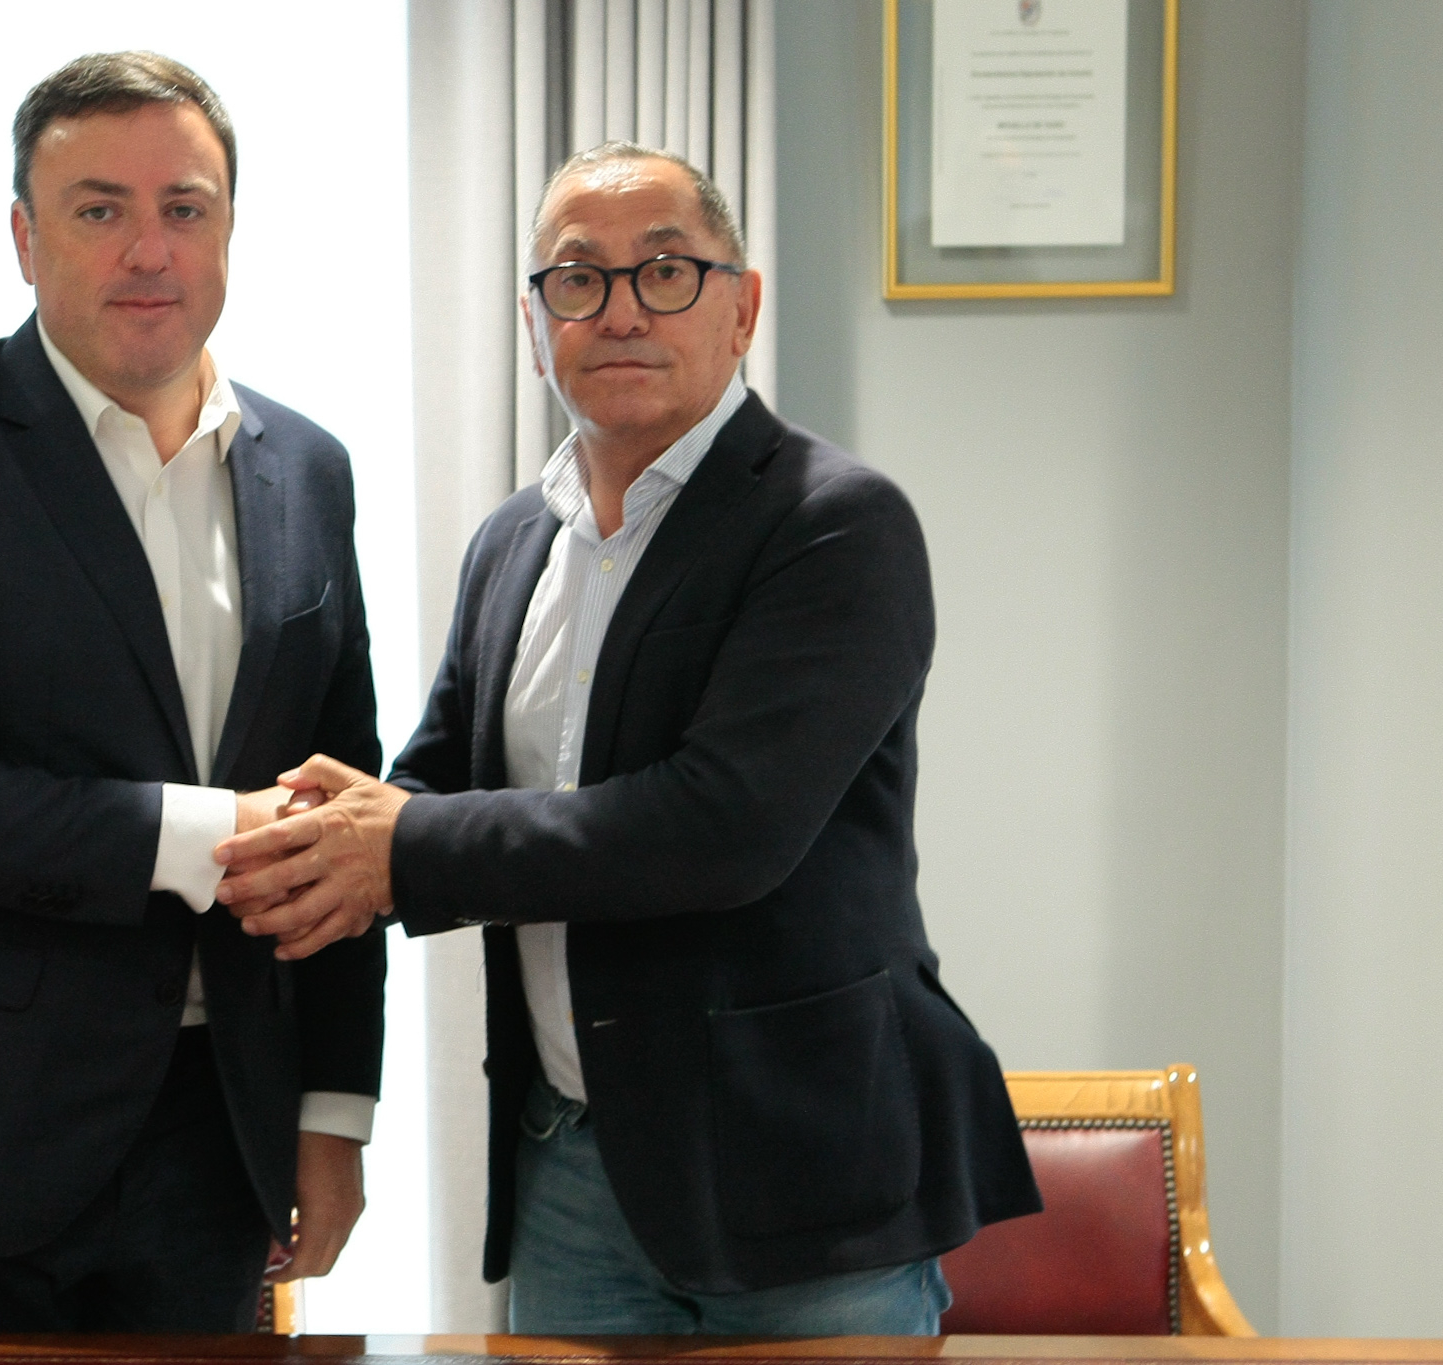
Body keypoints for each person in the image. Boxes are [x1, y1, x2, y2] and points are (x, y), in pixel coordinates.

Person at [214, 142, 1040, 1335]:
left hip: (800, 1175)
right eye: (575, 278)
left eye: (663, 271)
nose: (617, 311)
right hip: (566, 1170)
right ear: (533, 322)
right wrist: (309, 834)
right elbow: (436, 784)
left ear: (740, 306)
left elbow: (718, 828)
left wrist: (394, 846)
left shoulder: (832, 525)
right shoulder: (512, 542)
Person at [0, 52, 385, 1333]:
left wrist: (332, 1116)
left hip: (218, 1142)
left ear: (228, 229)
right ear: (24, 238)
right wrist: (218, 834)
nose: (147, 250)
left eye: (183, 208)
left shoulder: (310, 468)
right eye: (99, 209)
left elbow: (343, 818)